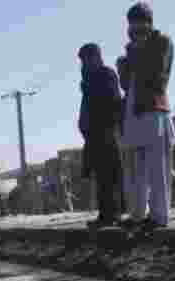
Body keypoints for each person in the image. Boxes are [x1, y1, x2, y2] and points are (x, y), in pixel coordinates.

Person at [117, 2, 175, 236]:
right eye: (132, 25)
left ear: (149, 23)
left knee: (157, 167)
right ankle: (138, 214)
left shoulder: (161, 42)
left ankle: (159, 216)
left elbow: (158, 76)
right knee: (136, 168)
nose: (135, 29)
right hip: (134, 110)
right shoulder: (132, 49)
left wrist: (135, 55)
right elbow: (126, 84)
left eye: (139, 23)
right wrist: (124, 67)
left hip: (153, 108)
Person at [78, 43, 125, 229]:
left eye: (87, 59)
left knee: (109, 175)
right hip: (94, 135)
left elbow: (112, 103)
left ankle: (113, 214)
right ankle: (105, 214)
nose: (84, 64)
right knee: (101, 176)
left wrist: (107, 128)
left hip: (105, 132)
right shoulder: (90, 79)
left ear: (96, 57)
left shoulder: (106, 75)